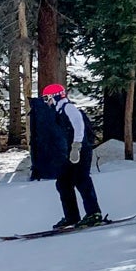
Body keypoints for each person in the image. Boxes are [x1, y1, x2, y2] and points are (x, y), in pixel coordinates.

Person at [34, 84, 104, 228]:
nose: (47, 102)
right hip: (70, 152)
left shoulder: (68, 108)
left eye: (47, 98)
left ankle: (94, 213)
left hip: (80, 149)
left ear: (55, 96)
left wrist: (76, 146)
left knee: (82, 179)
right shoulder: (58, 111)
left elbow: (79, 126)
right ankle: (71, 216)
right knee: (63, 182)